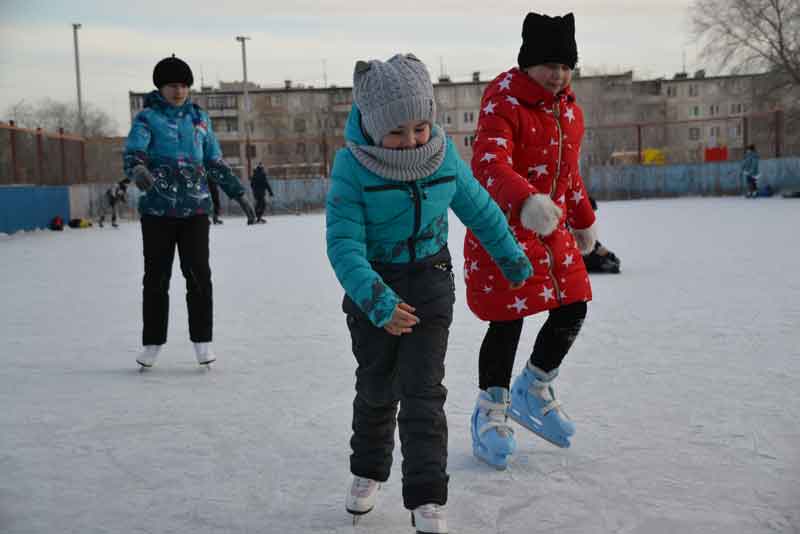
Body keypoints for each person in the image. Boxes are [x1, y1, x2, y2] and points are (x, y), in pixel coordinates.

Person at [326, 54, 532, 533]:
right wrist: (377, 301)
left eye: (420, 126)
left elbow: (479, 209)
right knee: (378, 388)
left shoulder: (441, 156)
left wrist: (511, 256)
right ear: (373, 127)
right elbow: (343, 243)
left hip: (430, 280)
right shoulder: (354, 168)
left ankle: (426, 498)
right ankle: (368, 470)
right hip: (373, 285)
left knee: (422, 391)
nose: (412, 140)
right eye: (397, 131)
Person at [464, 12, 599, 469]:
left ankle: (534, 386)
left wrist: (583, 219)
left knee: (575, 303)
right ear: (526, 64)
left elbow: (569, 175)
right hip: (503, 227)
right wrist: (525, 203)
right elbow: (488, 164)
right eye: (548, 65)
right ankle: (492, 408)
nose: (557, 75)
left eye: (565, 66)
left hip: (551, 228)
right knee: (508, 318)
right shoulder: (503, 103)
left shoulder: (569, 112)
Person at [123, 54, 256, 369]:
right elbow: (133, 152)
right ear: (160, 87)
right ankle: (152, 343)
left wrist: (238, 192)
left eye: (184, 85)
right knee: (156, 277)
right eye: (172, 85)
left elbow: (214, 160)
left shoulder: (200, 119)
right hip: (157, 210)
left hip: (195, 209)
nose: (179, 91)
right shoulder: (147, 118)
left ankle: (202, 341)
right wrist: (138, 168)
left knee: (198, 274)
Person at [582, 197, 621, 274]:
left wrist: (607, 253)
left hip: (583, 251)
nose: (593, 215)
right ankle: (602, 264)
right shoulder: (572, 221)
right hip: (571, 255)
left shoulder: (584, 222)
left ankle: (604, 262)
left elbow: (591, 242)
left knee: (605, 256)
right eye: (592, 211)